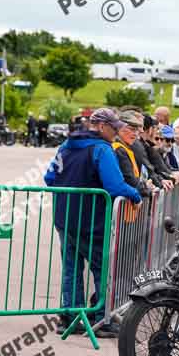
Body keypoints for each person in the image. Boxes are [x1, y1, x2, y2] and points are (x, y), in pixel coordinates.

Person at [44, 108, 141, 338]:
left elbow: (49, 177)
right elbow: (115, 186)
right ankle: (102, 321)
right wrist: (135, 194)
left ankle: (70, 317)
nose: (116, 132)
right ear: (100, 126)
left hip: (64, 217)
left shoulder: (66, 146)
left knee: (71, 269)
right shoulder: (101, 150)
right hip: (92, 219)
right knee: (102, 269)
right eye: (113, 127)